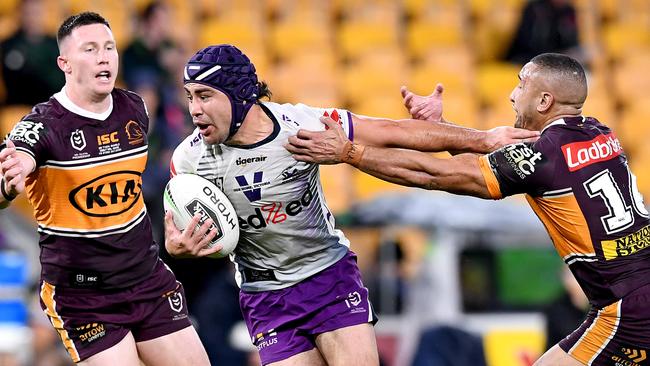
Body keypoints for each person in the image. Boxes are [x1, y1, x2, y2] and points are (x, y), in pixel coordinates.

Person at [163, 44, 538, 366]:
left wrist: (482, 138)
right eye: (190, 95)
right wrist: (177, 248)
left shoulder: (303, 125)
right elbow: (175, 232)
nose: (194, 109)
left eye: (205, 95)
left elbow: (393, 132)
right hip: (266, 295)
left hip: (328, 275)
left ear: (239, 94)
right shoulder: (189, 160)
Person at [286, 53, 650, 366]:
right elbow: (503, 163)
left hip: (626, 310)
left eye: (521, 85)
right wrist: (441, 129)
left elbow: (434, 175)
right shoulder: (598, 133)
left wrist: (350, 152)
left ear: (543, 101)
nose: (511, 95)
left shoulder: (545, 155)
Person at [0, 12, 209, 365]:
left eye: (109, 47)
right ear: (64, 63)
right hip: (83, 295)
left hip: (146, 280)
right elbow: (15, 162)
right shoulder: (41, 125)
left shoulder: (135, 109)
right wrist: (9, 182)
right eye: (91, 48)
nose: (103, 57)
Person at [0, 0, 64, 105]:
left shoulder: (56, 45)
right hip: (18, 105)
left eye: (36, 12)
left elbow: (60, 82)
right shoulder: (8, 45)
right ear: (20, 14)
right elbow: (13, 82)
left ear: (43, 14)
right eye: (27, 13)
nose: (32, 18)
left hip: (50, 105)